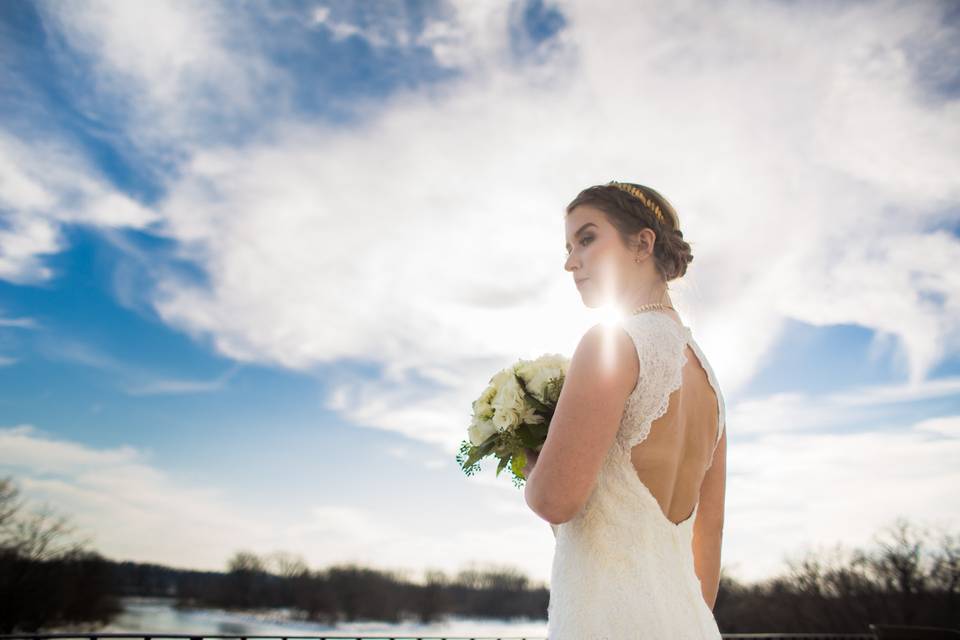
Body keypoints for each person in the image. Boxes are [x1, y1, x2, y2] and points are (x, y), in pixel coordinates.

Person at [522, 180, 726, 638]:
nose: (571, 261)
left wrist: (530, 455)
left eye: (587, 238)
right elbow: (708, 535)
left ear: (643, 243)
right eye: (569, 246)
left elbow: (555, 500)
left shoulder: (611, 343)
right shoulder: (709, 381)